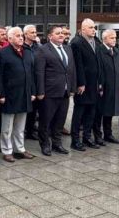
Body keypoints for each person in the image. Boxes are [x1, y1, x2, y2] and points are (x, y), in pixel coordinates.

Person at [34, 25, 76, 156]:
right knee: (46, 121)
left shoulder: (68, 49)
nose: (61, 35)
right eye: (58, 33)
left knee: (60, 120)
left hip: (64, 92)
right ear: (50, 36)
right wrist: (40, 91)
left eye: (62, 33)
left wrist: (72, 88)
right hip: (49, 92)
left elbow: (72, 70)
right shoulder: (43, 50)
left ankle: (57, 144)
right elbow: (39, 72)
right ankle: (45, 144)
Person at [0, 27, 36, 162]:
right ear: (10, 38)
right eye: (17, 35)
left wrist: (33, 91)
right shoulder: (3, 53)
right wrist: (1, 94)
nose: (21, 38)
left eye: (21, 35)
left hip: (24, 93)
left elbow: (32, 73)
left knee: (20, 126)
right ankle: (7, 150)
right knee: (7, 126)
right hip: (10, 94)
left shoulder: (27, 51)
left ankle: (20, 148)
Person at [70, 19, 103, 150]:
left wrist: (100, 82)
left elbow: (98, 63)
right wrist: (81, 83)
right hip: (83, 85)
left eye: (94, 27)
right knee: (79, 113)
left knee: (91, 112)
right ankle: (75, 140)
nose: (93, 30)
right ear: (83, 29)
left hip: (94, 84)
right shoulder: (76, 43)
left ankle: (87, 137)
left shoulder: (96, 41)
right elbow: (77, 65)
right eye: (90, 27)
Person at [93, 29, 119, 144]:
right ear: (105, 38)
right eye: (112, 38)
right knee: (99, 112)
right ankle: (97, 135)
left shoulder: (116, 51)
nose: (115, 40)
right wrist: (100, 86)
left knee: (110, 111)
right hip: (104, 88)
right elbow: (98, 70)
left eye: (115, 38)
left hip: (115, 86)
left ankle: (108, 134)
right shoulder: (99, 50)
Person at [22, 24, 41, 140]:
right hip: (26, 81)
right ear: (25, 34)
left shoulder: (38, 47)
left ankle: (30, 130)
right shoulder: (21, 48)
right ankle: (22, 129)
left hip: (37, 80)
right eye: (32, 32)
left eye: (35, 32)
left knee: (34, 108)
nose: (35, 34)